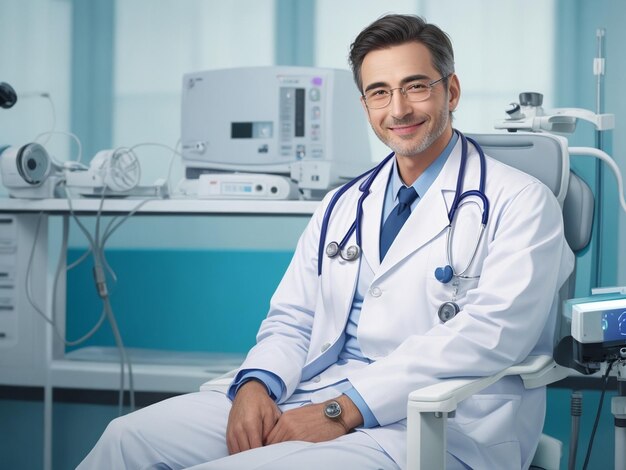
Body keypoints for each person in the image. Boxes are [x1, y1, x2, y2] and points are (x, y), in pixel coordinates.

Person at [77, 13, 574, 470]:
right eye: (379, 92)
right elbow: (293, 318)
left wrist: (344, 409)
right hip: (309, 393)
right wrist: (256, 383)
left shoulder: (521, 201)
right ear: (364, 103)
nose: (398, 109)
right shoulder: (343, 203)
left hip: (438, 423)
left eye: (416, 87)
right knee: (126, 439)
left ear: (452, 91)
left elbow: (488, 336)